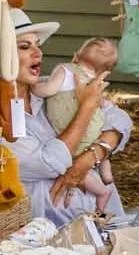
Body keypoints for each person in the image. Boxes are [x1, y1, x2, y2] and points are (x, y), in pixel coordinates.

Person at [10, 13, 130, 224]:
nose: (38, 53)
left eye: (38, 45)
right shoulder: (4, 119)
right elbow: (48, 163)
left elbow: (119, 120)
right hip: (50, 236)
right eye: (24, 46)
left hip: (105, 222)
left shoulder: (53, 87)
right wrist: (86, 108)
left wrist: (93, 154)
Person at [33, 37, 120, 211]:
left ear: (75, 56)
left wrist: (34, 87)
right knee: (98, 144)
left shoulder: (65, 70)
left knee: (76, 164)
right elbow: (104, 106)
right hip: (95, 130)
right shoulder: (95, 82)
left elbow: (48, 90)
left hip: (74, 133)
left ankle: (102, 192)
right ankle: (106, 172)